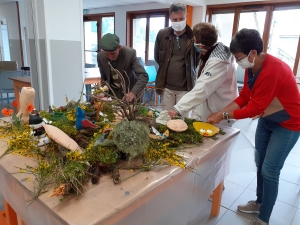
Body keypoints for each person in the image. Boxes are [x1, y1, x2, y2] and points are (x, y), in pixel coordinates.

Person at [207, 28, 300, 225]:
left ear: (253, 53)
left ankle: (263, 218)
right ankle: (259, 202)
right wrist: (220, 112)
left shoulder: (272, 72)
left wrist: (223, 115)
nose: (238, 61)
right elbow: (244, 97)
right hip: (268, 120)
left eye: (238, 57)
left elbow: (253, 108)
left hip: (289, 124)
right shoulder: (252, 67)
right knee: (260, 163)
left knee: (270, 170)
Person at [168, 22, 238, 123]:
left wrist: (178, 109)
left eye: (194, 40)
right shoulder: (208, 54)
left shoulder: (218, 62)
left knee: (218, 138)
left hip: (219, 111)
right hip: (210, 107)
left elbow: (202, 88)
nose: (192, 42)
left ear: (200, 45)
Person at [154, 2, 199, 111]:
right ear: (170, 18)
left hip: (185, 89)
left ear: (186, 17)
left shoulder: (194, 36)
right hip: (166, 88)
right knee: (165, 119)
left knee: (182, 121)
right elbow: (157, 56)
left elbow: (197, 60)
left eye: (181, 18)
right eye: (174, 19)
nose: (178, 22)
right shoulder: (162, 34)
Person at [97, 33, 148, 102]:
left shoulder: (129, 54)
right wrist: (103, 92)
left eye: (112, 53)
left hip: (130, 92)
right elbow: (104, 77)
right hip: (113, 93)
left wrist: (133, 93)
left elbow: (143, 76)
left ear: (119, 47)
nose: (110, 57)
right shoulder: (100, 56)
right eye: (107, 54)